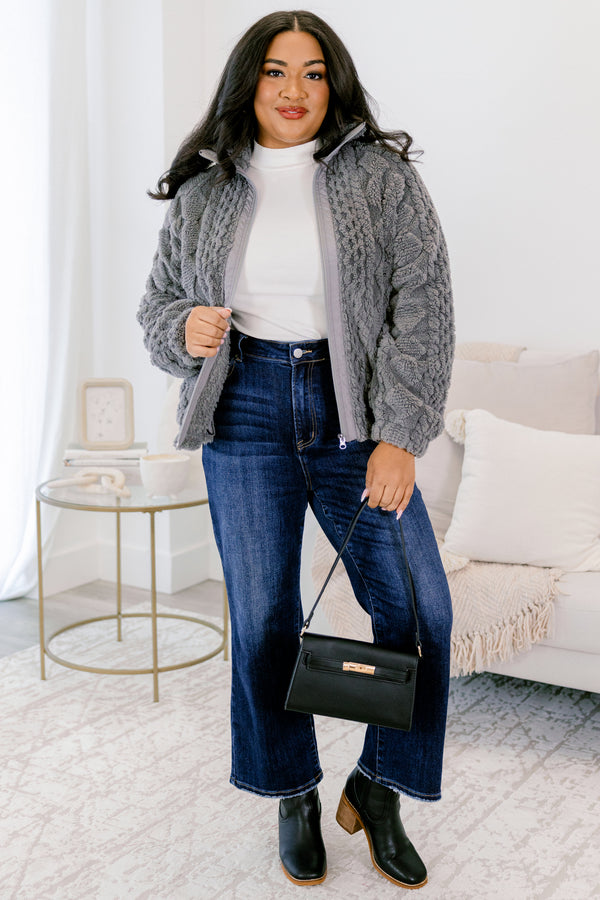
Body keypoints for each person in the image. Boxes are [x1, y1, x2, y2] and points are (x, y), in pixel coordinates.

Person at [138, 9, 454, 890]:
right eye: (277, 71)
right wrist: (185, 328)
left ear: (334, 84)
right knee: (267, 617)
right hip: (243, 411)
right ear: (250, 81)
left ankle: (381, 786)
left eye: (313, 74)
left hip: (354, 415)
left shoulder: (381, 179)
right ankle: (293, 792)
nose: (294, 91)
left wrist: (401, 435)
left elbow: (423, 305)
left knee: (423, 611)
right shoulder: (207, 188)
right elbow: (156, 308)